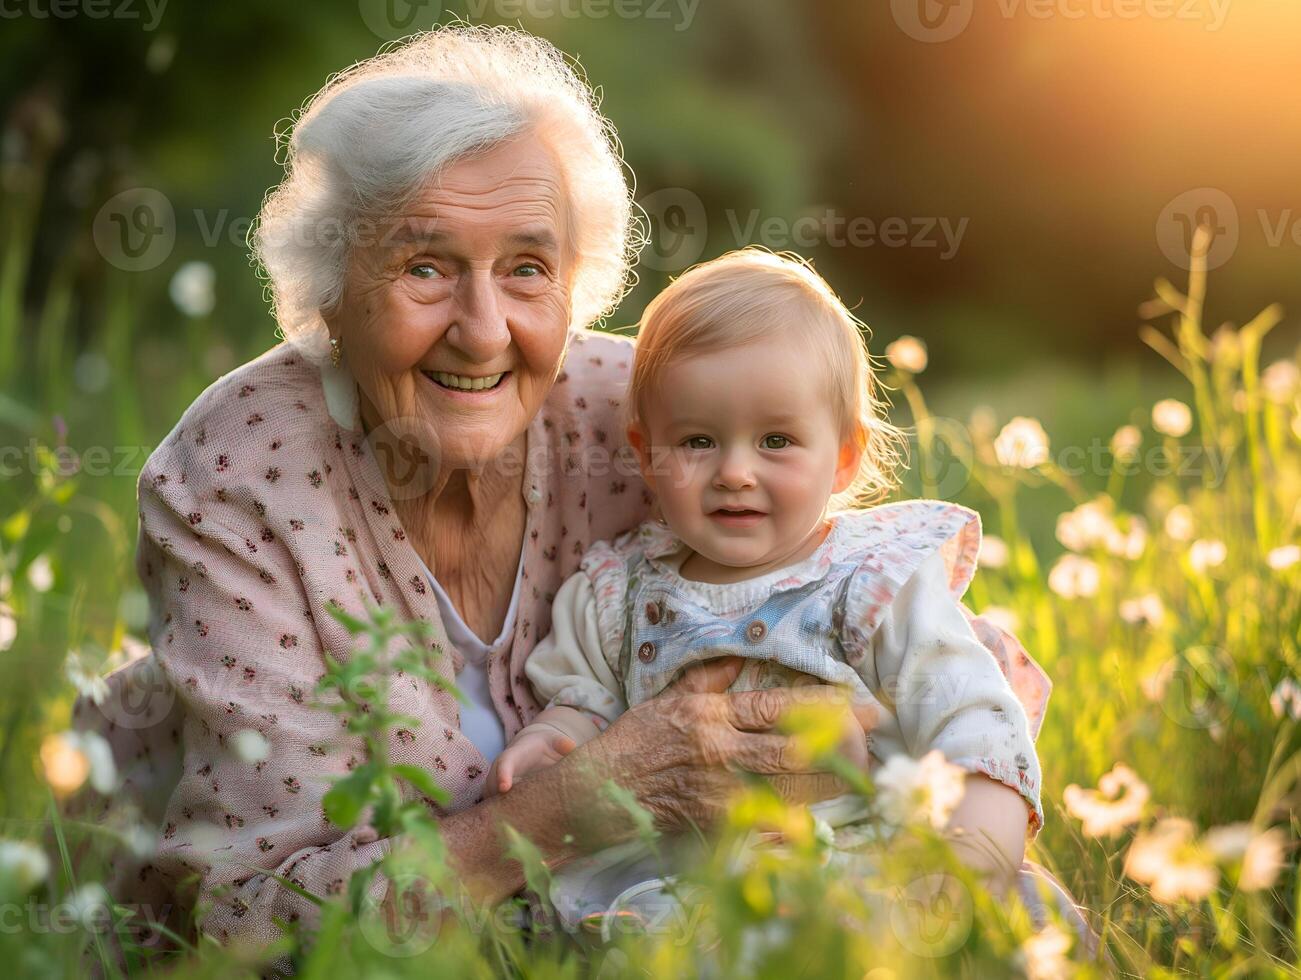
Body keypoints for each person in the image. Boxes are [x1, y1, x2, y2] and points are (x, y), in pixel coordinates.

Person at [79, 26, 883, 952]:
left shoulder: (647, 419)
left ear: (575, 288)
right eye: (425, 267)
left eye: (527, 269)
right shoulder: (236, 478)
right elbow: (247, 923)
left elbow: (858, 603)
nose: (483, 329)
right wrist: (573, 807)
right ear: (330, 286)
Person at [489, 249, 1066, 932]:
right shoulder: (615, 594)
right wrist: (552, 741)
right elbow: (586, 707)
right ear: (645, 453)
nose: (735, 472)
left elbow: (972, 726)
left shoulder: (873, 582)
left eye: (775, 440)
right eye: (698, 441)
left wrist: (963, 865)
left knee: (1022, 926)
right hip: (687, 878)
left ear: (844, 456)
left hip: (861, 861)